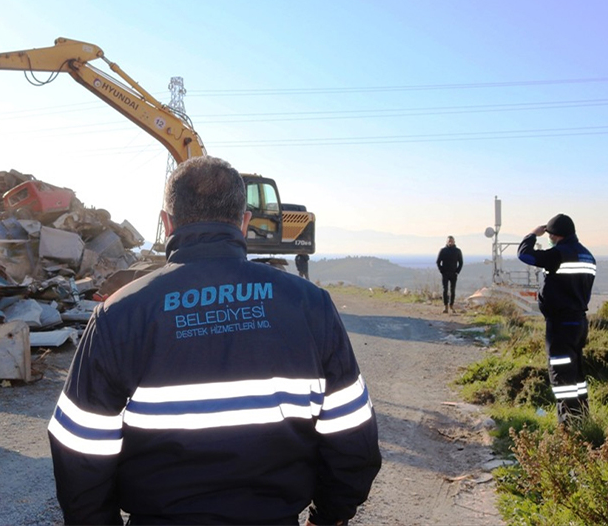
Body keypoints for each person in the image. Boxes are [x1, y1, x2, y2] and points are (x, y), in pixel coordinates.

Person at [48, 156, 381, 525]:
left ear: (167, 222)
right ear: (244, 222)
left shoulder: (120, 313)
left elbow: (79, 447)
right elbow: (352, 435)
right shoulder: (309, 304)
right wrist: (330, 515)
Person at [517, 213, 596, 426]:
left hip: (560, 325)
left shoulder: (558, 254)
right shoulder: (588, 256)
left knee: (562, 376)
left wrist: (533, 234)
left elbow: (524, 255)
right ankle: (582, 420)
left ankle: (568, 427)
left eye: (550, 234)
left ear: (555, 235)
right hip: (579, 322)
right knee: (576, 375)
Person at [436, 236, 463, 313]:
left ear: (454, 241)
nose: (450, 242)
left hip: (453, 273)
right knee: (445, 290)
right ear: (447, 242)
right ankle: (445, 306)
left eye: (451, 241)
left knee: (452, 290)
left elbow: (461, 263)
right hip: (445, 273)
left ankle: (451, 305)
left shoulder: (457, 251)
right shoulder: (443, 250)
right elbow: (438, 262)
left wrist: (457, 271)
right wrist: (441, 270)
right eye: (449, 241)